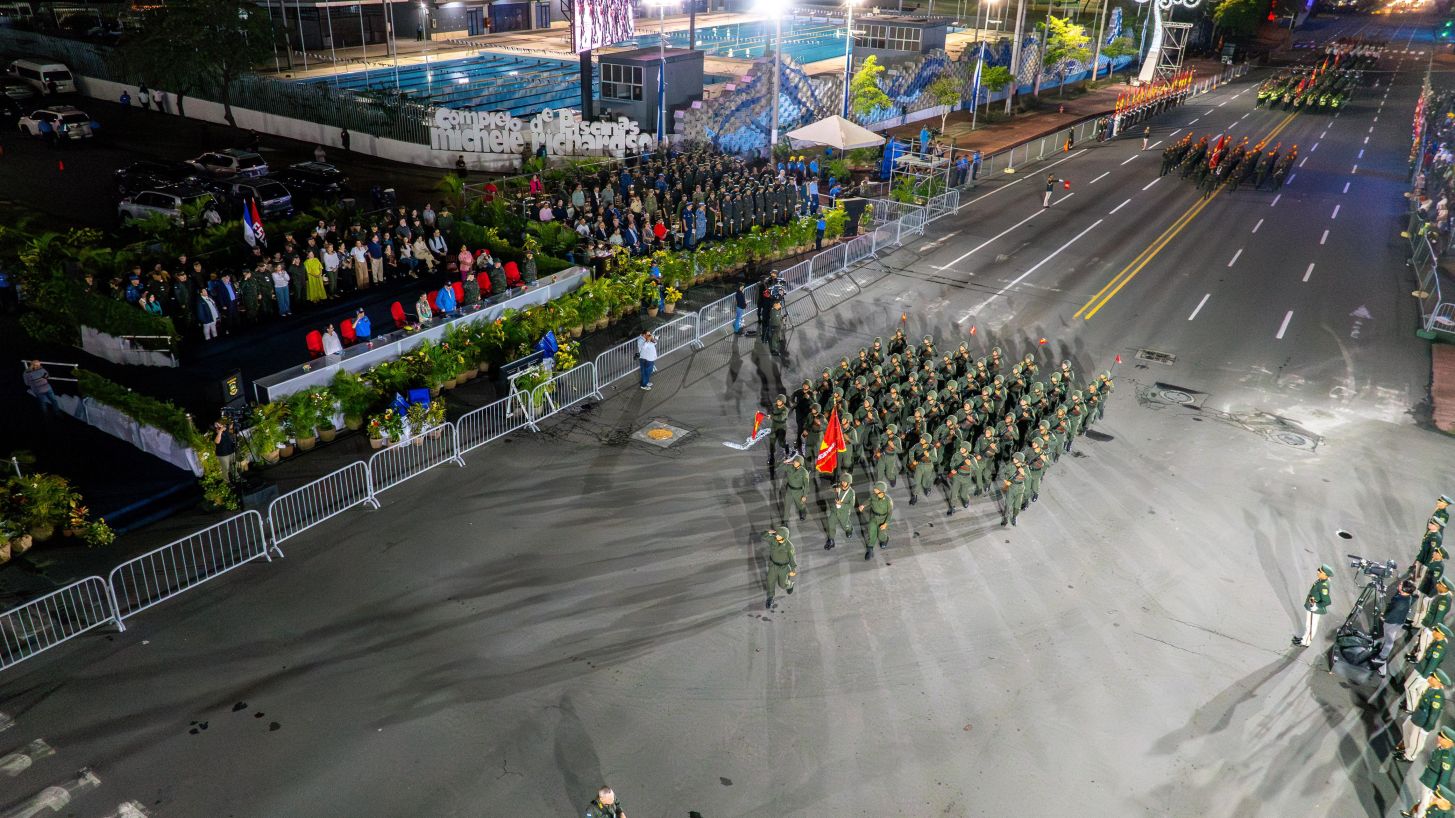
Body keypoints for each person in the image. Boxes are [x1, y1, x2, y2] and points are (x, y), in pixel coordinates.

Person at [1399, 671, 1450, 762]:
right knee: (1406, 727)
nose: (1430, 677)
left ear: (1439, 683)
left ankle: (1410, 756)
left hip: (1423, 721)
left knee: (1416, 740)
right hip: (1417, 714)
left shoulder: (1437, 697)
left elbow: (1433, 715)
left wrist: (1426, 729)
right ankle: (1407, 748)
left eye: (1433, 677)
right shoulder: (1431, 688)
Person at [1403, 729, 1455, 817]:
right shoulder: (1442, 748)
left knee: (1425, 805)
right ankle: (1414, 814)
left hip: (1432, 783)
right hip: (1428, 778)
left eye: (1442, 737)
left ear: (1448, 741)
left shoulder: (1447, 757)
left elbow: (1445, 777)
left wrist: (1438, 791)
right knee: (1422, 799)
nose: (1439, 738)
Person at [1409, 627, 1452, 714]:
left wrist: (1424, 677)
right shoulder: (1438, 642)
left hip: (1425, 671)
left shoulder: (1439, 648)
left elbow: (1432, 662)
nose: (1434, 631)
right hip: (1425, 669)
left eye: (1436, 631)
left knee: (1416, 690)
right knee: (1416, 690)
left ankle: (1412, 709)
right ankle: (1412, 708)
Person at [1293, 563, 1334, 648]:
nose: (1318, 571)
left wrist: (1317, 606)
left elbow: (1327, 601)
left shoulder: (1323, 586)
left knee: (1311, 626)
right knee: (1309, 624)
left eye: (1320, 571)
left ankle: (1306, 642)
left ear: (1325, 575)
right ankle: (1304, 638)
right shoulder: (1321, 581)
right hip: (1312, 604)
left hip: (1314, 608)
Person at [762, 525, 798, 609]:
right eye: (777, 535)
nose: (777, 537)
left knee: (783, 585)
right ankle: (770, 597)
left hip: (783, 568)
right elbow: (763, 536)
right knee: (770, 580)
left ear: (785, 537)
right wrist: (768, 532)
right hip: (773, 565)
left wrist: (793, 569)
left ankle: (790, 585)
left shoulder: (789, 547)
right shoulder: (773, 540)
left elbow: (793, 559)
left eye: (779, 536)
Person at [858, 481, 894, 561]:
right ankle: (870, 549)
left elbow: (890, 513)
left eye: (876, 489)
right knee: (871, 531)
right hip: (874, 517)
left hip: (883, 518)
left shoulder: (888, 500)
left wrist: (886, 523)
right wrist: (863, 505)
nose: (874, 489)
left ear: (881, 490)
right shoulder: (873, 496)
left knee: (881, 534)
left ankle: (885, 539)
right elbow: (869, 501)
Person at [824, 472, 854, 550]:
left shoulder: (851, 493)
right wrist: (834, 490)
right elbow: (830, 490)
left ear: (849, 483)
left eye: (845, 482)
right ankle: (831, 540)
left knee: (845, 525)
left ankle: (849, 529)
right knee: (831, 523)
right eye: (842, 481)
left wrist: (841, 504)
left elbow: (851, 505)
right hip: (835, 510)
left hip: (844, 512)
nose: (843, 483)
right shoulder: (838, 487)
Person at [781, 454, 809, 522]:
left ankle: (803, 511)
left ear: (800, 463)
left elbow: (806, 485)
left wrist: (804, 496)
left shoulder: (804, 472)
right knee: (787, 506)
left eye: (797, 462)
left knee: (800, 505)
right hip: (789, 490)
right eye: (794, 461)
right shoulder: (789, 467)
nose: (795, 463)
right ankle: (785, 522)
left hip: (798, 492)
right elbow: (780, 467)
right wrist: (785, 462)